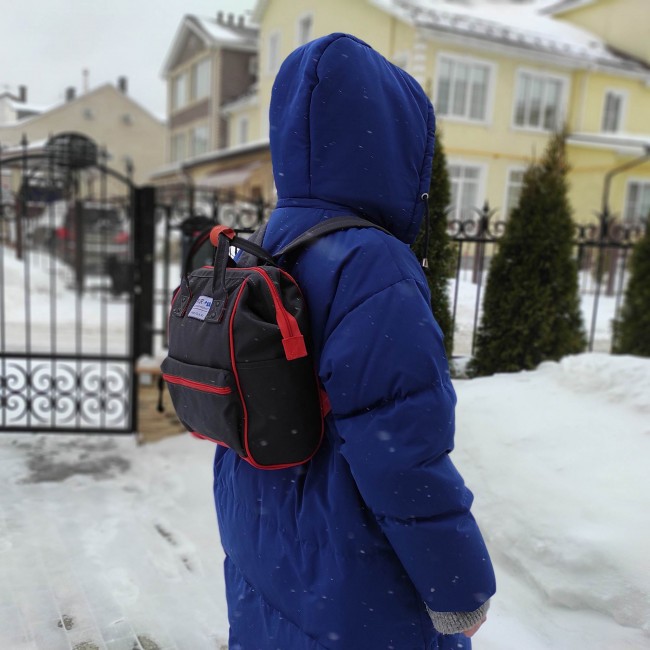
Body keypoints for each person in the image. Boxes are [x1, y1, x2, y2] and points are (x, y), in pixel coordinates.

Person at [213, 33, 496, 649]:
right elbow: (401, 449)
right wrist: (458, 588)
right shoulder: (371, 264)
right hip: (352, 574)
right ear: (400, 147)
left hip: (265, 534)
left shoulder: (272, 242)